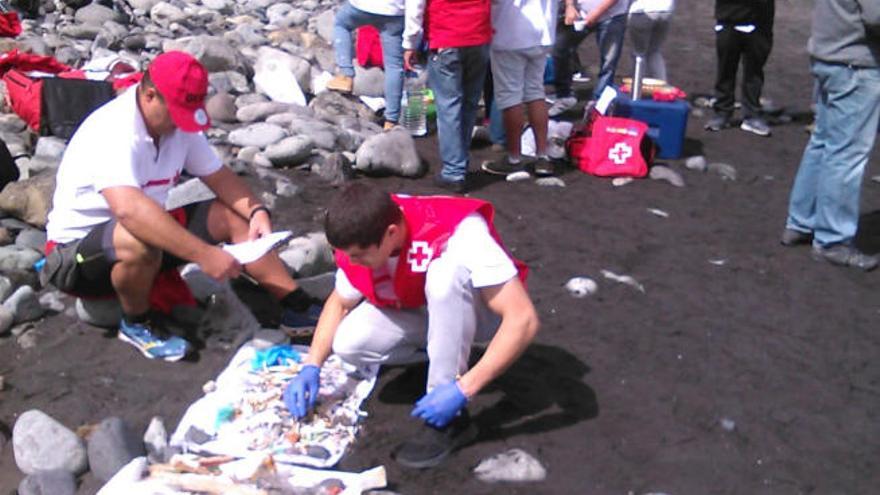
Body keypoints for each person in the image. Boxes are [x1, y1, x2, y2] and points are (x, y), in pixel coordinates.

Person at [43, 51, 321, 362]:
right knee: (137, 237)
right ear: (150, 96)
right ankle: (137, 323)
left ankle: (296, 305)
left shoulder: (176, 126)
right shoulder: (113, 131)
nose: (182, 123)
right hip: (76, 256)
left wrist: (256, 211)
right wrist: (205, 255)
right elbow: (129, 211)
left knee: (231, 215)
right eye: (177, 113)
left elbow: (219, 177)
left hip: (142, 239)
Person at [283, 183, 539, 468]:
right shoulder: (366, 226)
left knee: (445, 276)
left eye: (358, 255)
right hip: (425, 311)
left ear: (391, 233)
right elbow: (339, 303)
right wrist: (311, 365)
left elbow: (523, 319)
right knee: (347, 342)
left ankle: (452, 418)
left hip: (478, 314)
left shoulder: (461, 231)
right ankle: (444, 353)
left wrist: (464, 389)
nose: (350, 261)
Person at [781, 0, 880, 271]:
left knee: (823, 143)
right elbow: (876, 16)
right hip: (855, 63)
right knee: (847, 153)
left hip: (829, 55)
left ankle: (801, 222)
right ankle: (832, 240)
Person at [402, 0, 492, 193]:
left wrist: (410, 42)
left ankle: (454, 170)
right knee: (468, 104)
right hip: (478, 34)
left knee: (449, 106)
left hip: (446, 35)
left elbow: (415, 5)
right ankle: (460, 162)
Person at [481, 0, 558, 177]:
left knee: (511, 96)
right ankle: (542, 157)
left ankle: (514, 158)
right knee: (536, 92)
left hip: (509, 33)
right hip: (543, 32)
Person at [325, 0, 405, 131]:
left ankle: (345, 75)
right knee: (394, 65)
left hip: (364, 5)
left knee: (341, 24)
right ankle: (391, 120)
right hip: (395, 11)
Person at [704, 0, 775, 136]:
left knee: (754, 72)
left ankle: (752, 115)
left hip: (760, 22)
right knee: (725, 70)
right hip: (728, 18)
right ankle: (722, 112)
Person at [549, 0, 628, 117]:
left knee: (609, 62)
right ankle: (564, 95)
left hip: (613, 15)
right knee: (560, 48)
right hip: (581, 13)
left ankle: (598, 103)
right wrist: (569, 6)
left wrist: (596, 13)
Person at [627, 0, 675, 82]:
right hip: (666, 10)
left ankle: (637, 88)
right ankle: (662, 88)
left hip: (642, 11)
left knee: (639, 54)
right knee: (654, 52)